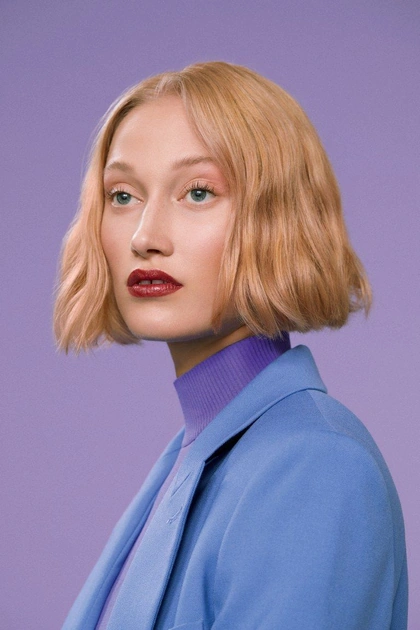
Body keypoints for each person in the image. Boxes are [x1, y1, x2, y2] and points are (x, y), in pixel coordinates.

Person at [54, 61, 408, 629]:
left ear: (279, 218)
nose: (145, 236)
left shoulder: (313, 468)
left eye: (197, 192)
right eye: (122, 196)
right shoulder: (198, 453)